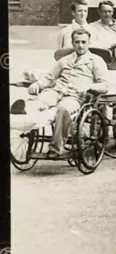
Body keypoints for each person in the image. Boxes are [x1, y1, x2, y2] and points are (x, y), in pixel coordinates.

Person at [10, 29, 108, 159]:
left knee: (63, 109)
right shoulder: (65, 60)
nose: (80, 45)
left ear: (89, 42)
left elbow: (105, 85)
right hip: (57, 90)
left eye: (84, 42)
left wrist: (90, 86)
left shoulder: (96, 61)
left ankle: (55, 148)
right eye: (77, 42)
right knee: (42, 99)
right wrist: (37, 84)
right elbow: (49, 77)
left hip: (75, 96)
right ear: (72, 43)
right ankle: (25, 110)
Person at [90, 0, 116, 70]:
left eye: (109, 11)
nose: (107, 14)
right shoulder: (92, 27)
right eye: (104, 11)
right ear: (99, 12)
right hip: (98, 60)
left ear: (113, 12)